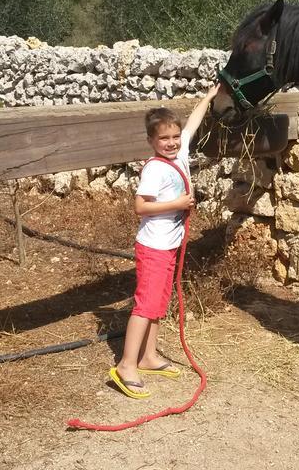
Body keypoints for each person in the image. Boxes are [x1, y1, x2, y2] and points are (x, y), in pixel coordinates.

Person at [109, 83, 221, 399]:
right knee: (145, 305)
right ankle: (126, 365)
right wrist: (177, 204)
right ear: (151, 141)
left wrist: (210, 97)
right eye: (164, 139)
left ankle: (148, 356)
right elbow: (140, 207)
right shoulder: (155, 170)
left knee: (159, 302)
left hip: (169, 245)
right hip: (154, 246)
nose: (171, 143)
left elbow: (193, 123)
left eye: (174, 137)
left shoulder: (180, 152)